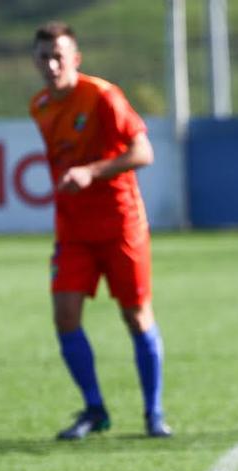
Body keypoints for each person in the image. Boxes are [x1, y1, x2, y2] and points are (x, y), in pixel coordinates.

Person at [29, 21, 171, 440]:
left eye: (59, 56)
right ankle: (94, 410)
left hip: (120, 224)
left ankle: (154, 414)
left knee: (136, 316)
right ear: (35, 61)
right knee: (65, 315)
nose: (52, 65)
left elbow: (143, 151)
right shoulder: (39, 105)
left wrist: (92, 172)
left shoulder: (103, 97)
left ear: (75, 58)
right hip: (73, 230)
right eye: (44, 57)